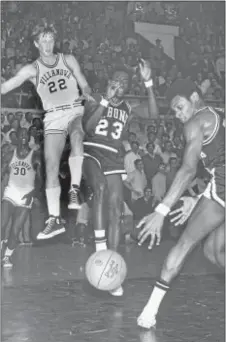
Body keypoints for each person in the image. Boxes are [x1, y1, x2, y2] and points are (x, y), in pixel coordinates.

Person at [136, 79, 225, 328]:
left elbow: (187, 169)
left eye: (179, 106)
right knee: (213, 252)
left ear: (194, 98)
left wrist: (161, 211)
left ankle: (149, 312)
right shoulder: (218, 113)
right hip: (220, 185)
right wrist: (199, 197)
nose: (177, 114)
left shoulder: (195, 123)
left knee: (185, 243)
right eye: (174, 110)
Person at [1, 23, 93, 240]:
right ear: (36, 44)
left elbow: (85, 85)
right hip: (52, 116)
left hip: (73, 110)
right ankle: (55, 219)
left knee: (77, 136)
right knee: (51, 167)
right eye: (43, 40)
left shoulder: (68, 59)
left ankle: (74, 189)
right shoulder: (31, 69)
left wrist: (86, 93)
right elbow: (4, 88)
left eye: (51, 39)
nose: (48, 44)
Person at [83, 59, 159, 296]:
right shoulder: (95, 97)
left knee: (116, 209)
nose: (121, 84)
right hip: (92, 152)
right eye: (117, 80)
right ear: (109, 82)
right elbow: (89, 128)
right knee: (101, 190)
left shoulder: (128, 107)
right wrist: (105, 99)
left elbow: (154, 116)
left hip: (114, 158)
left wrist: (148, 83)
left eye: (125, 82)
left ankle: (111, 267)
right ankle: (99, 249)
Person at [1, 128, 42, 267]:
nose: (23, 136)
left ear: (29, 137)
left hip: (26, 196)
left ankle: (7, 257)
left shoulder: (35, 155)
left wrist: (33, 193)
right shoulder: (9, 154)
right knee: (2, 224)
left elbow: (41, 180)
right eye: (21, 134)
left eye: (26, 134)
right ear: (16, 138)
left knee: (15, 230)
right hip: (11, 193)